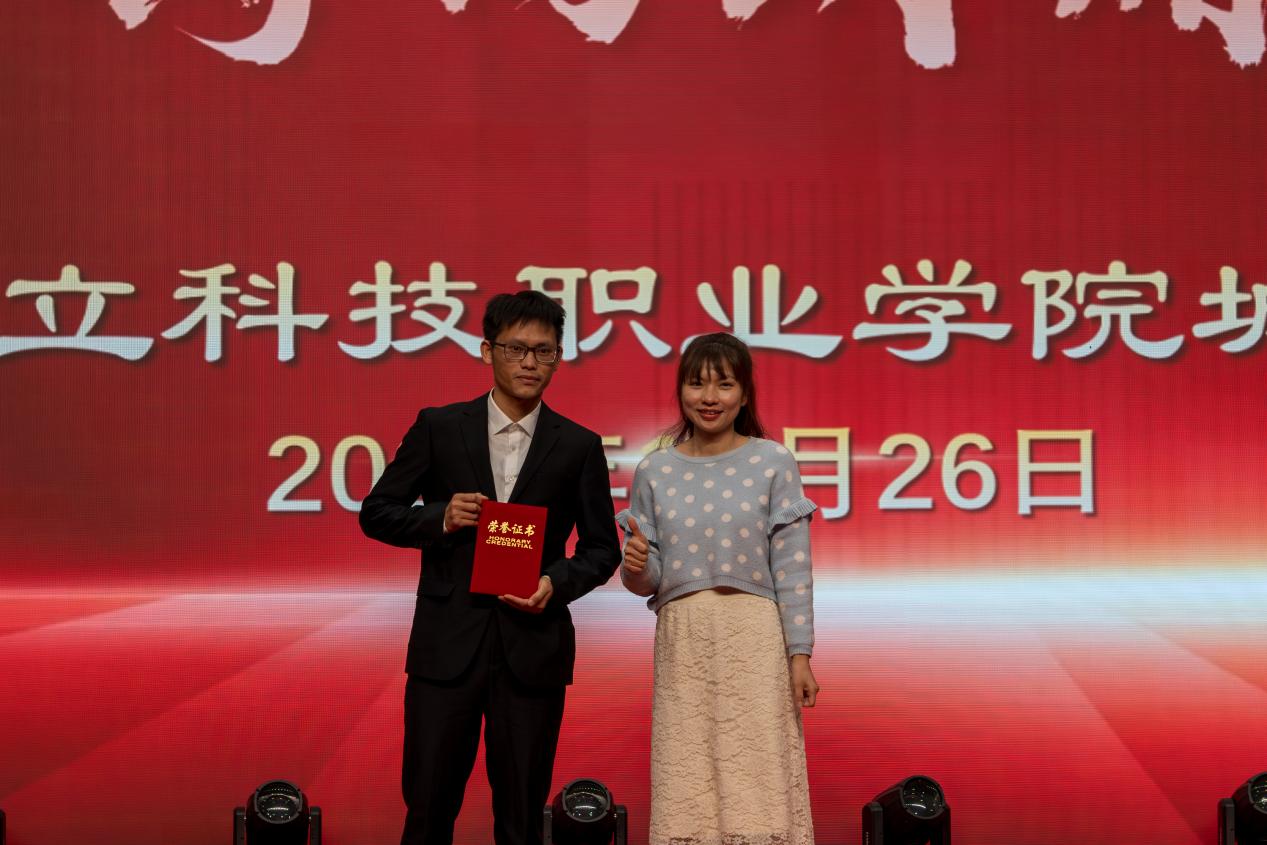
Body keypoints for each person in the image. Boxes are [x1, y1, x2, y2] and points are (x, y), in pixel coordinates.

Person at [359, 290, 621, 845]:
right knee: (427, 809)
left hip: (532, 650)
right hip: (446, 646)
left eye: (544, 352)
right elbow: (376, 512)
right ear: (487, 351)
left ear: (558, 358)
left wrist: (555, 583)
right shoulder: (439, 426)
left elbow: (602, 549)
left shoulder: (578, 445)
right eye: (516, 349)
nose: (530, 362)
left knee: (522, 817)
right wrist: (439, 517)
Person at [617, 332, 818, 845]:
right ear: (680, 390)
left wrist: (799, 655)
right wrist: (635, 566)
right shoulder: (654, 470)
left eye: (724, 385)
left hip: (755, 637)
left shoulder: (773, 461)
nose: (709, 397)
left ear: (745, 394)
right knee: (687, 769)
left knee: (758, 768)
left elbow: (793, 568)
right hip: (684, 637)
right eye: (697, 384)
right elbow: (647, 578)